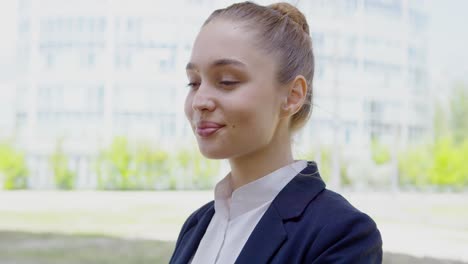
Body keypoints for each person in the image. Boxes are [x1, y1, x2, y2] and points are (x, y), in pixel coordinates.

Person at [169, 1, 382, 263]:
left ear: (293, 96)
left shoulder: (341, 234)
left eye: (227, 81)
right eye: (194, 82)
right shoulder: (196, 226)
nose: (200, 100)